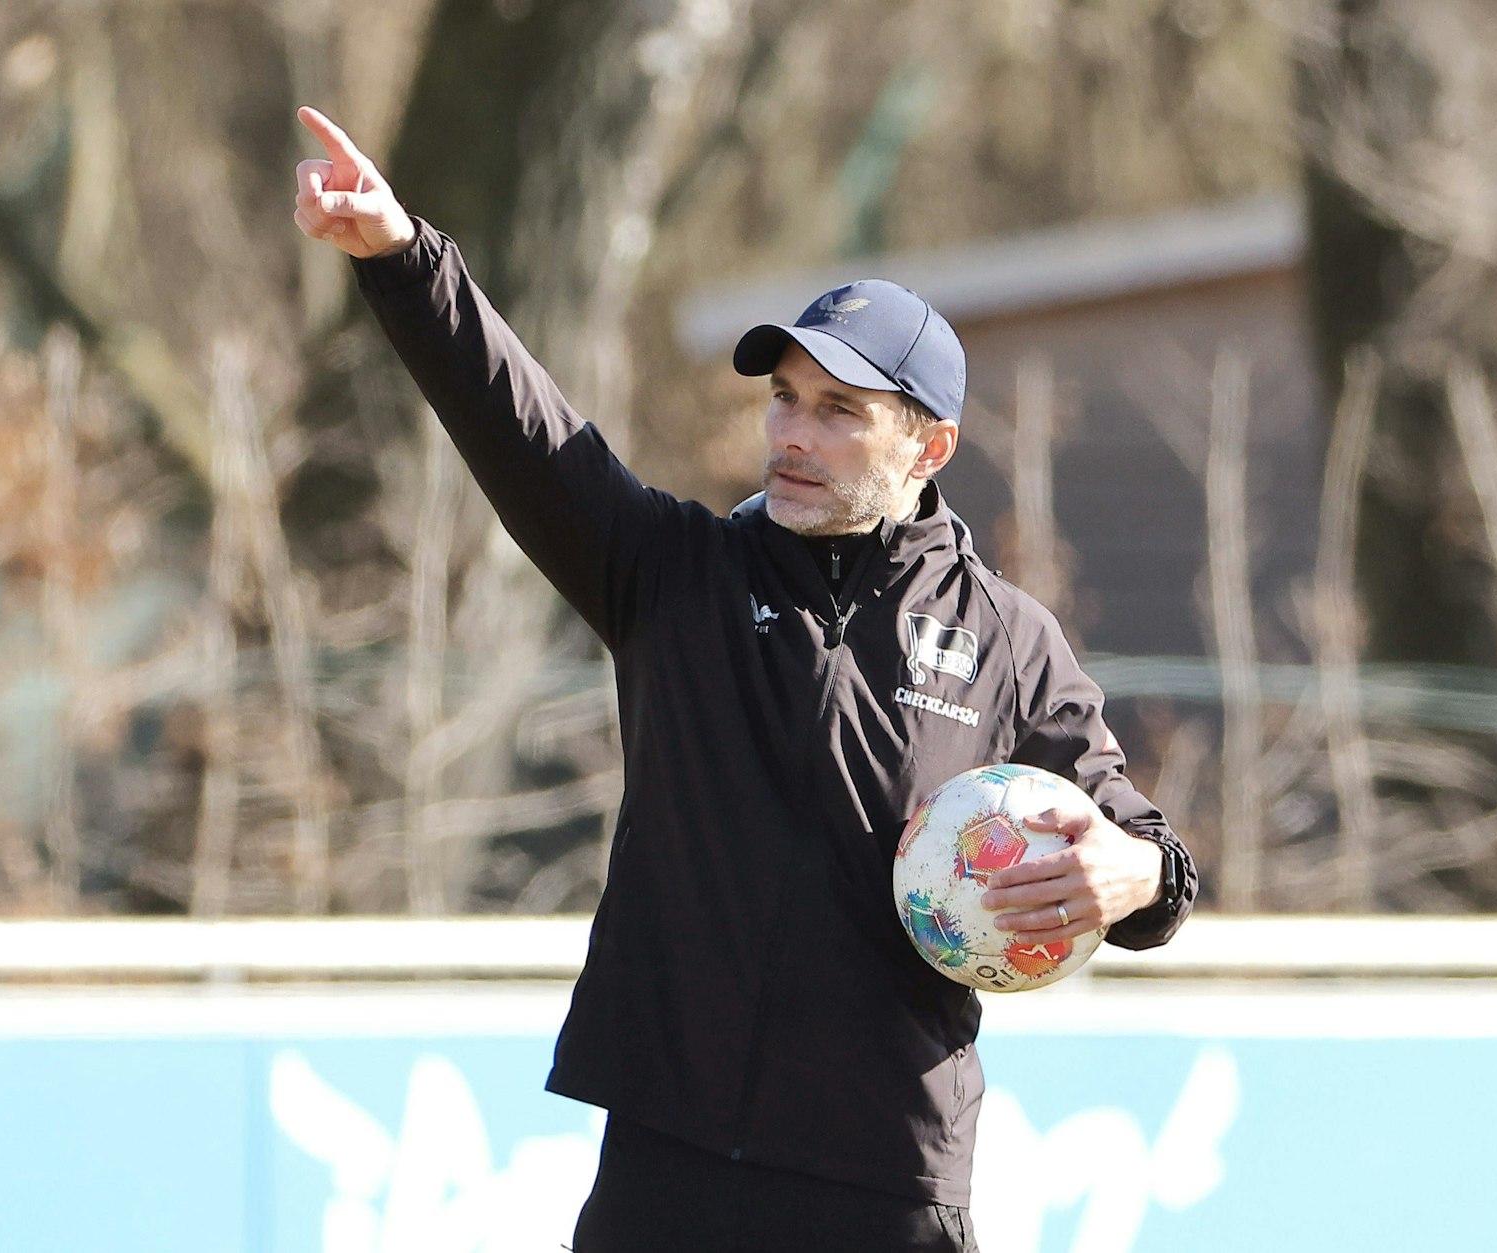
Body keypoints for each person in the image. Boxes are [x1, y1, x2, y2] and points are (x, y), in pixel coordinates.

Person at [293, 105, 1197, 1252]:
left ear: (928, 447)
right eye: (782, 397)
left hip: (883, 1179)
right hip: (666, 1167)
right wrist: (402, 261)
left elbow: (1149, 862)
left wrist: (1128, 872)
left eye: (838, 412)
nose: (791, 434)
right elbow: (522, 431)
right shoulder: (674, 575)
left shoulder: (1009, 642)